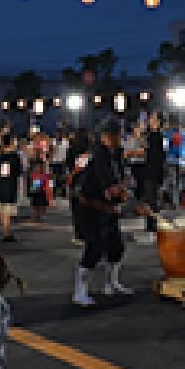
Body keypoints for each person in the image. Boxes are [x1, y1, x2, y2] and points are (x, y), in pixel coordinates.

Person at [74, 118, 133, 306]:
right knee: (95, 247)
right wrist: (122, 193)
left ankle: (110, 283)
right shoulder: (99, 155)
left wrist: (124, 189)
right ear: (106, 137)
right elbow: (109, 186)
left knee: (116, 246)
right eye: (116, 135)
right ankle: (79, 291)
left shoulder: (117, 154)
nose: (119, 138)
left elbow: (124, 178)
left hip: (108, 207)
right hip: (91, 206)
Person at [0, 135, 22, 242]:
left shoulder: (0, 156)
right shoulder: (14, 157)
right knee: (7, 210)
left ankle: (5, 231)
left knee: (3, 210)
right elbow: (18, 172)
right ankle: (6, 233)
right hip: (10, 185)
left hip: (0, 185)